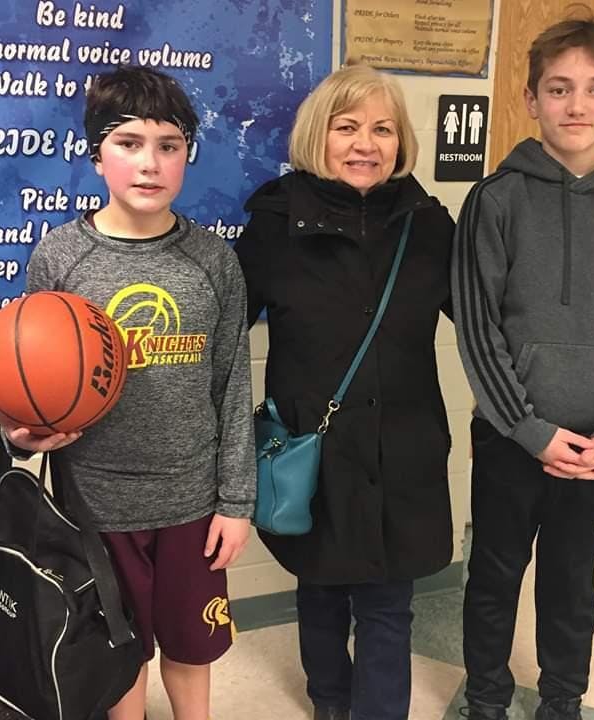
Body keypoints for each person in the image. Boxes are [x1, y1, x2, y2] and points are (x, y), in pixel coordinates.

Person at [0, 66, 256, 720]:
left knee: (192, 648)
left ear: (187, 155)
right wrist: (20, 433)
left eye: (169, 145)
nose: (150, 163)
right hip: (94, 504)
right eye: (129, 143)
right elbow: (27, 376)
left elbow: (233, 385)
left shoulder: (213, 261)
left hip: (194, 503)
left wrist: (237, 501)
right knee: (118, 651)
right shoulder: (59, 257)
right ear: (96, 155)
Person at [452, 12, 594, 720]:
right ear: (531, 99)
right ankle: (486, 698)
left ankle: (562, 699)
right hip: (510, 437)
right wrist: (528, 429)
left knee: (573, 584)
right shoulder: (495, 199)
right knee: (493, 576)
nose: (577, 105)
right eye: (558, 88)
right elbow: (479, 329)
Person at [234, 63, 456, 720]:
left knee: (389, 602)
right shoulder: (275, 225)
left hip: (402, 449)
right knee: (322, 590)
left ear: (401, 141)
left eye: (383, 129)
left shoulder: (429, 226)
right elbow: (219, 334)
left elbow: (492, 322)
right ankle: (329, 702)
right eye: (348, 127)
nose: (366, 144)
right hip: (314, 449)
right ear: (318, 135)